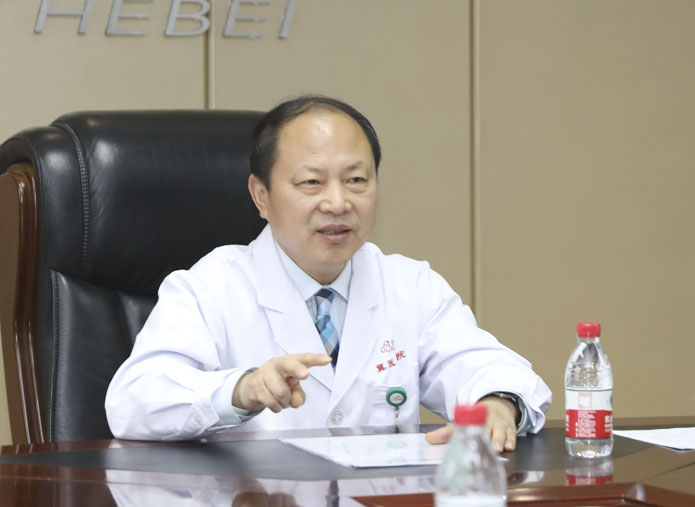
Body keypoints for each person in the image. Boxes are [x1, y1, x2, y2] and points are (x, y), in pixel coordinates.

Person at [105, 95, 551, 451]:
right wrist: (242, 389)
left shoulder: (409, 285)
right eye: (311, 182)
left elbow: (485, 366)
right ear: (261, 196)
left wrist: (496, 404)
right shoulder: (210, 287)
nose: (338, 203)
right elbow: (133, 401)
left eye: (356, 180)